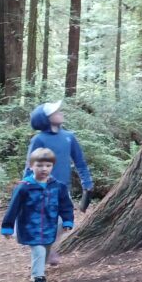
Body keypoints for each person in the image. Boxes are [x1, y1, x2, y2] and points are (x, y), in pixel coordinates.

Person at [26, 101, 92, 265]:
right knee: (47, 222)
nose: (60, 113)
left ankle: (49, 249)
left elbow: (80, 162)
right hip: (42, 188)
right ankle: (44, 255)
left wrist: (87, 181)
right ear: (46, 119)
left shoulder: (69, 137)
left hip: (63, 189)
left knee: (63, 222)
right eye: (55, 112)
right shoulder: (39, 139)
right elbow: (30, 165)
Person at [2, 147, 75, 282]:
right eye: (39, 165)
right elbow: (13, 208)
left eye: (48, 166)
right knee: (39, 251)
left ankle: (40, 268)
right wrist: (7, 226)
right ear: (31, 166)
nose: (44, 169)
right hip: (30, 227)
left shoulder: (58, 186)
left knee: (46, 249)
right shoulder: (24, 187)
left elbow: (66, 205)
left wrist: (67, 220)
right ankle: (37, 278)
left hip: (50, 225)